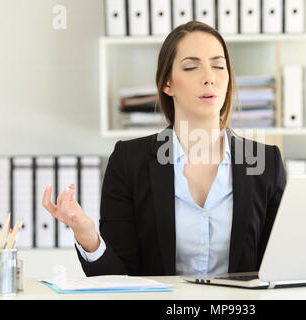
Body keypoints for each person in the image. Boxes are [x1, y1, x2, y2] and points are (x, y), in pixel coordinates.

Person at [42, 21, 286, 277]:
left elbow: (279, 269)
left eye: (218, 65)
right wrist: (86, 234)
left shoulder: (264, 162)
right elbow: (118, 279)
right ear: (167, 83)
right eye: (191, 67)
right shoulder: (129, 161)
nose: (209, 77)